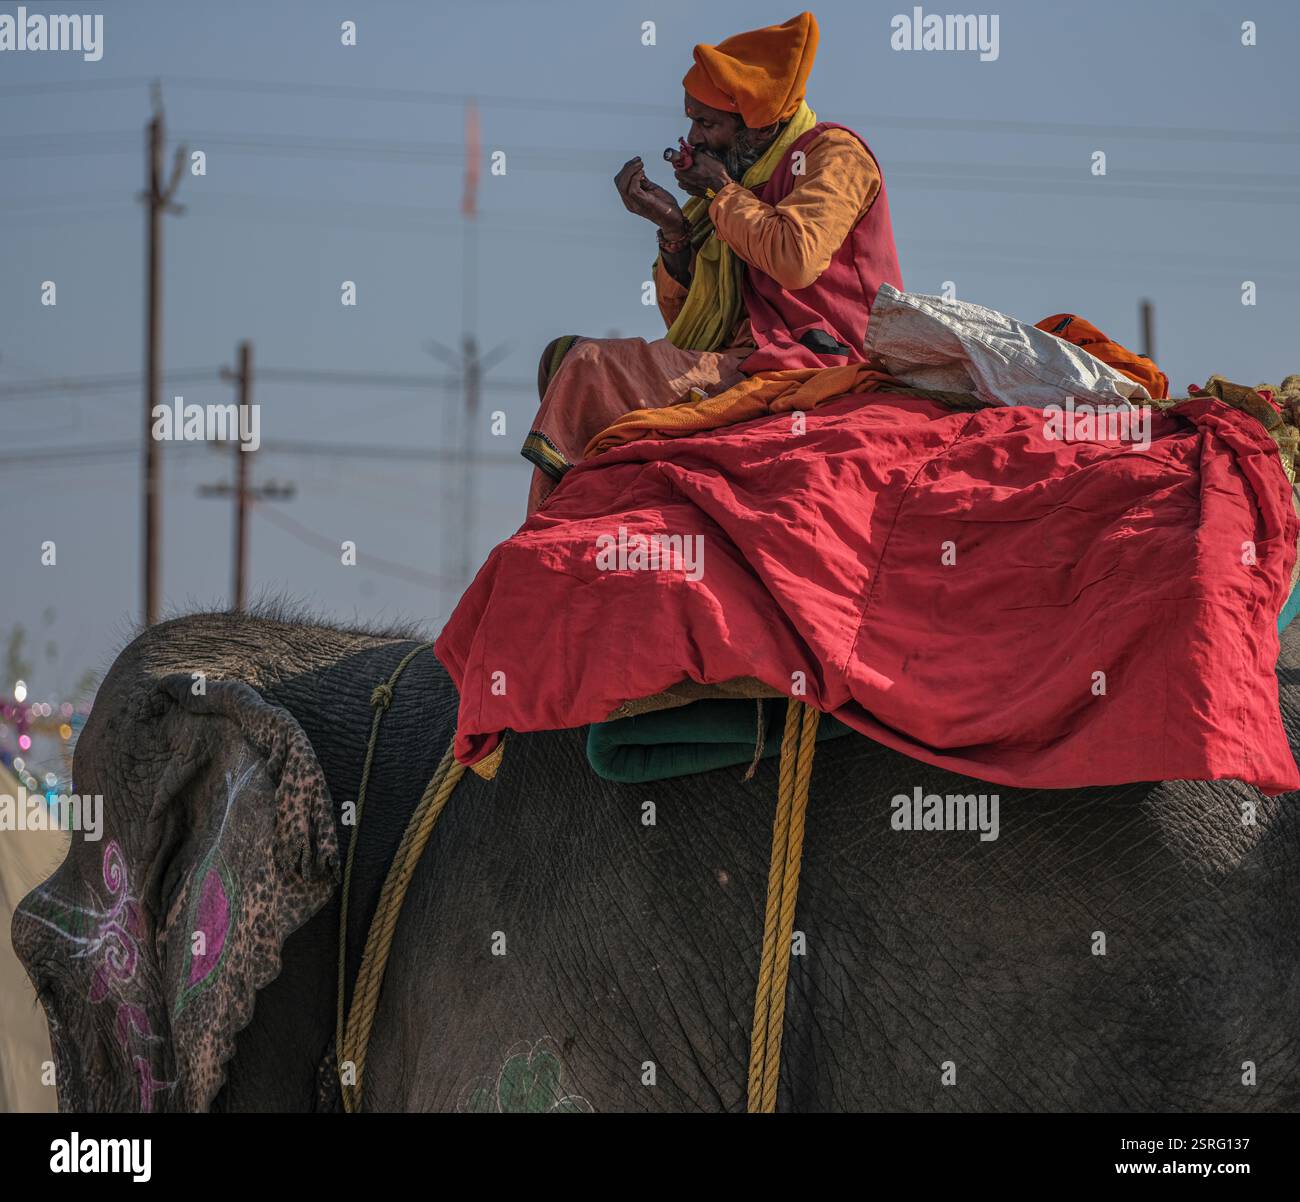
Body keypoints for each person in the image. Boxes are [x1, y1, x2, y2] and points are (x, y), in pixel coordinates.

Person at [522, 10, 904, 513]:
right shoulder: (738, 182)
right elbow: (686, 323)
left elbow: (796, 258)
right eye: (692, 122)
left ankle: (547, 525)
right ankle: (567, 526)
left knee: (587, 367)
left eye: (707, 122)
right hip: (744, 359)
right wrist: (675, 230)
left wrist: (721, 192)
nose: (695, 138)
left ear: (758, 122)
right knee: (563, 356)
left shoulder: (835, 156)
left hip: (816, 362)